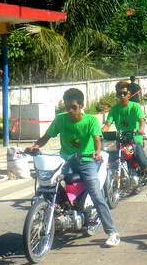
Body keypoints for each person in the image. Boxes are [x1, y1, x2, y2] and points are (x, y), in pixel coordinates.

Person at [26, 88, 120, 246]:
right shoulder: (60, 119)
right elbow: (46, 137)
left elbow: (97, 140)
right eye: (67, 107)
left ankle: (112, 232)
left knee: (96, 194)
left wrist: (97, 152)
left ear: (82, 105)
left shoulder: (90, 120)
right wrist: (34, 146)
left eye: (73, 107)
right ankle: (60, 215)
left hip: (87, 160)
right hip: (66, 160)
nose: (69, 110)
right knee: (48, 184)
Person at [101, 81, 147, 181]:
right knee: (110, 154)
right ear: (116, 95)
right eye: (119, 93)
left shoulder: (135, 107)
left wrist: (141, 129)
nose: (122, 96)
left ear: (129, 94)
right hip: (120, 138)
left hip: (135, 137)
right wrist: (98, 134)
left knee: (140, 157)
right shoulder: (114, 109)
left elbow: (141, 120)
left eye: (124, 93)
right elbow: (107, 125)